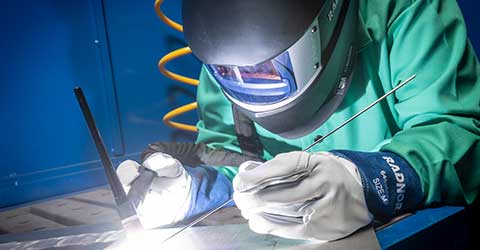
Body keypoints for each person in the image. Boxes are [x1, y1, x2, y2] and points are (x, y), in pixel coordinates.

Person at [117, 0, 480, 242]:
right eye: (230, 72)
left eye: (267, 67)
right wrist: (191, 191)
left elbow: (457, 133)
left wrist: (371, 179)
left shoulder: (403, 12)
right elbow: (232, 157)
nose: (248, 79)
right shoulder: (224, 62)